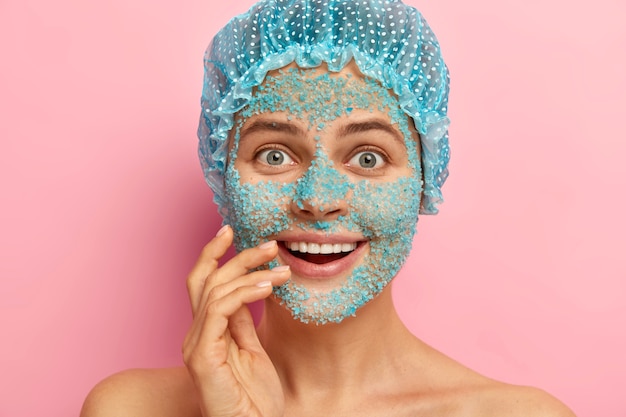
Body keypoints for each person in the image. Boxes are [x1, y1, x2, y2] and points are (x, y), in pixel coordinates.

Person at [81, 0, 576, 416]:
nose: (318, 200)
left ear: (424, 178)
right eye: (274, 155)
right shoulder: (128, 408)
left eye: (367, 157)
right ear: (224, 177)